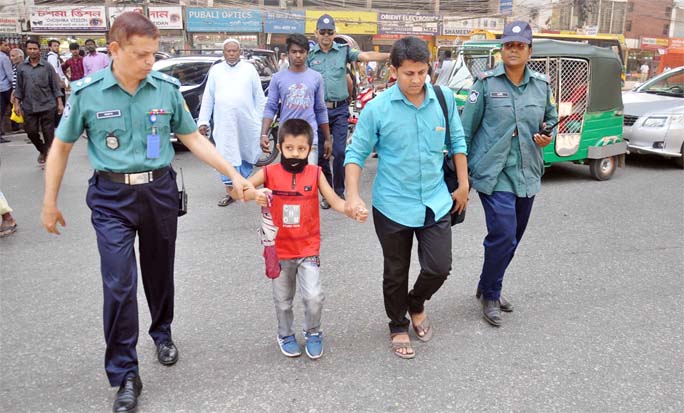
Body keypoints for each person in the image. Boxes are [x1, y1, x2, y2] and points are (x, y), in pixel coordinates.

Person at [40, 12, 254, 412]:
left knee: (160, 272)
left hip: (158, 191)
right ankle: (125, 375)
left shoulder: (165, 90)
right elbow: (61, 147)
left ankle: (162, 332)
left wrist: (232, 174)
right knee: (119, 284)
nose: (149, 63)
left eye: (154, 54)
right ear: (115, 49)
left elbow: (191, 137)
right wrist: (49, 202)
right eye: (141, 55)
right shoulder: (88, 93)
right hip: (111, 198)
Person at [344, 37, 469, 359]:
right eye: (408, 73)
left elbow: (457, 141)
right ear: (394, 71)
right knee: (395, 272)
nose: (416, 80)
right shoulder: (377, 109)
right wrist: (353, 196)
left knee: (440, 267)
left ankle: (417, 301)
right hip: (392, 205)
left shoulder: (443, 100)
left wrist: (465, 185)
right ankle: (397, 324)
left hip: (436, 200)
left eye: (421, 73)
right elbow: (356, 154)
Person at [238, 118, 367, 359]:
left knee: (314, 297)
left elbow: (335, 200)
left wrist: (352, 210)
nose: (295, 154)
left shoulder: (315, 173)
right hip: (279, 251)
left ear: (310, 149)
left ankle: (313, 332)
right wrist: (254, 193)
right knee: (283, 300)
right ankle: (285, 334)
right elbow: (240, 190)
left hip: (308, 247)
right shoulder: (268, 172)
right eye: (289, 148)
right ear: (280, 148)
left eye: (301, 149)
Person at [460, 21, 558, 327]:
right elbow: (465, 130)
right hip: (493, 171)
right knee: (502, 233)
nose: (512, 50)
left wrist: (546, 136)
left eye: (519, 45)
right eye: (507, 45)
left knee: (513, 237)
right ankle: (491, 294)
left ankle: (488, 282)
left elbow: (551, 120)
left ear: (529, 51)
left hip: (526, 170)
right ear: (501, 50)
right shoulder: (485, 84)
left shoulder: (542, 86)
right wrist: (460, 175)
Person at [307, 14, 390, 209]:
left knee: (339, 152)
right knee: (321, 155)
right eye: (322, 32)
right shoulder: (310, 56)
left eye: (330, 32)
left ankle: (338, 191)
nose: (326, 36)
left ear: (334, 33)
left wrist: (391, 56)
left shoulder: (343, 51)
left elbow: (366, 56)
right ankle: (326, 192)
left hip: (340, 110)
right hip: (318, 112)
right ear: (316, 33)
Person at [198, 38, 266, 207]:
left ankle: (242, 188)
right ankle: (231, 192)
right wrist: (203, 120)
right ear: (223, 52)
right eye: (228, 51)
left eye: (235, 50)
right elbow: (208, 97)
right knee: (226, 155)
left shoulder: (249, 69)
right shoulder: (216, 71)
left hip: (246, 122)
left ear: (240, 52)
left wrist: (259, 120)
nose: (231, 53)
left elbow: (259, 96)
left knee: (245, 154)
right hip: (225, 123)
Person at [261, 34, 331, 166]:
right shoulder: (277, 78)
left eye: (301, 52)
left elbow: (321, 109)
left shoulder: (316, 78)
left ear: (307, 54)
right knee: (289, 183)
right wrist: (264, 134)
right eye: (294, 52)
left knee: (309, 183)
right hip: (287, 139)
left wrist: (327, 139)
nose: (298, 55)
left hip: (310, 139)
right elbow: (271, 107)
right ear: (288, 53)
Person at [14, 40, 64, 165]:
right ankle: (42, 150)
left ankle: (49, 155)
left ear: (39, 50)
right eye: (30, 49)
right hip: (29, 105)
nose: (32, 51)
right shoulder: (21, 68)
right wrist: (16, 104)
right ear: (26, 50)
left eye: (35, 49)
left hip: (47, 104)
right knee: (31, 132)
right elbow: (19, 88)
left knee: (48, 133)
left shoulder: (47, 67)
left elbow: (55, 87)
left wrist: (60, 103)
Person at [8, 48, 24, 134]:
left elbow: (20, 83)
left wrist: (15, 93)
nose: (11, 58)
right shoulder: (15, 67)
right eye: (11, 56)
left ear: (20, 56)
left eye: (13, 56)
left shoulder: (22, 67)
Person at [0, 38, 12, 143]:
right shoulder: (4, 58)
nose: (7, 47)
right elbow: (10, 75)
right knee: (2, 111)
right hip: (4, 88)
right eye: (5, 45)